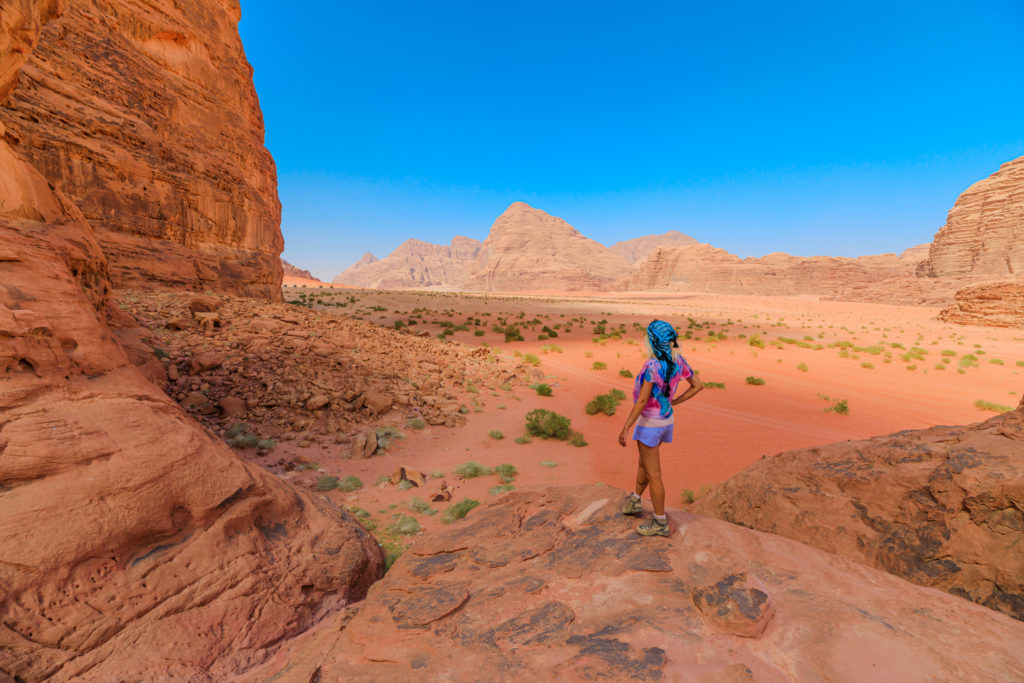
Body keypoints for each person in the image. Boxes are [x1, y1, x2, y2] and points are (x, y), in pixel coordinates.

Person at [618, 319, 703, 536]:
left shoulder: (653, 365)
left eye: (648, 337)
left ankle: (659, 522)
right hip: (666, 422)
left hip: (649, 424)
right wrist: (673, 402)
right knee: (644, 463)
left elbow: (642, 400)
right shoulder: (678, 360)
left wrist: (626, 426)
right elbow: (698, 386)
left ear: (654, 340)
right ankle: (635, 500)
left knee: (654, 474)